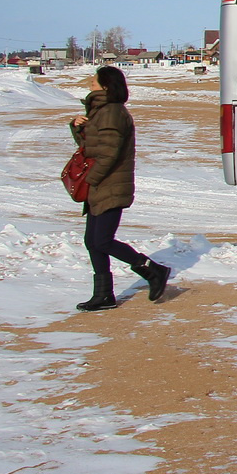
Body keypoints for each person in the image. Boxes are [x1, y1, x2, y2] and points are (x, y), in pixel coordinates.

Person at [68, 66, 170, 310]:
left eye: (93, 83)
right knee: (92, 241)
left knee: (101, 241)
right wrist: (78, 126)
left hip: (109, 184)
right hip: (101, 184)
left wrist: (92, 179)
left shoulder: (112, 112)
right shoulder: (100, 111)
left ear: (106, 86)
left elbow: (109, 153)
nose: (89, 85)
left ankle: (153, 271)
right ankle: (104, 295)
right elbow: (91, 146)